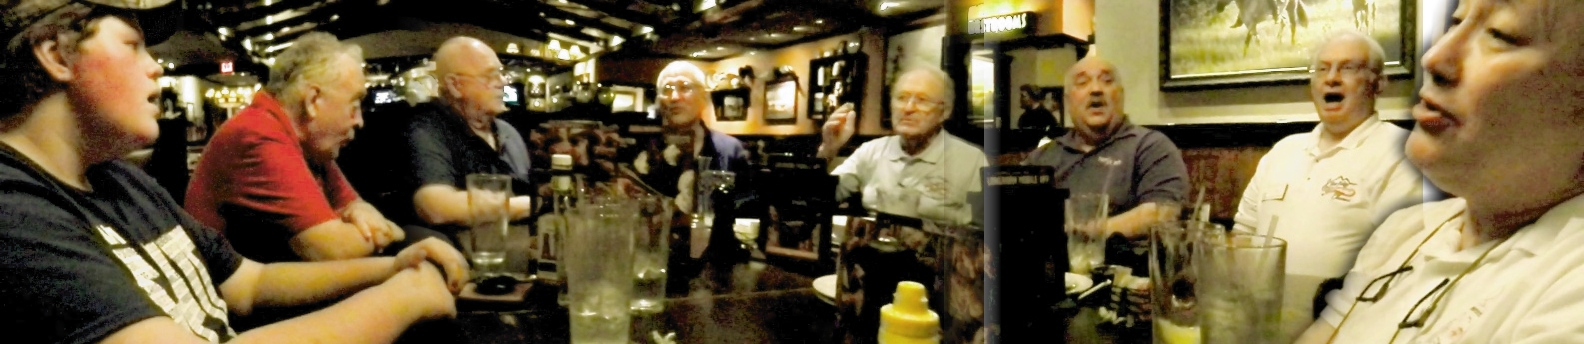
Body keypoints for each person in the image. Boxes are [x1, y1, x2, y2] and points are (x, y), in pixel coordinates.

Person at [0, 2, 468, 342]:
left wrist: (394, 266)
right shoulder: (14, 210)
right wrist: (405, 297)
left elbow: (249, 284)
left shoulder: (118, 178)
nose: (155, 70)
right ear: (57, 56)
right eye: (134, 46)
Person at [1295, 0, 1584, 342]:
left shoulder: (1570, 284)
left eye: (1501, 34)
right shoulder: (1406, 230)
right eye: (1456, 22)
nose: (1434, 58)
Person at [186, 32, 449, 264]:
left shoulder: (310, 144)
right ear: (313, 100)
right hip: (242, 316)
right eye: (354, 103)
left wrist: (358, 211)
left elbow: (357, 207)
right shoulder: (258, 134)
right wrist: (390, 230)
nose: (359, 120)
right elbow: (335, 250)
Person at [1233, 31, 1425, 283]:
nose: (1331, 78)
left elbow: (1400, 260)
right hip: (1260, 308)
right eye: (1322, 69)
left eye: (1348, 68)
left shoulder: (1402, 152)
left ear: (1378, 84)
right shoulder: (1283, 150)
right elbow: (1242, 234)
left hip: (1347, 315)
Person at [1024, 55, 1189, 246]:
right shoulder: (1043, 157)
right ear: (1068, 101)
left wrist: (1083, 233)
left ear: (1120, 95)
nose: (1096, 89)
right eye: (1083, 82)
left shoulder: (1150, 146)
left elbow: (1163, 212)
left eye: (1107, 81)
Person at [397, 36, 534, 236]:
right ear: (455, 85)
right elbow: (436, 206)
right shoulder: (427, 129)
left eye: (502, 74)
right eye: (490, 76)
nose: (503, 82)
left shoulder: (508, 132)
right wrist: (530, 204)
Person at [819, 66, 988, 225]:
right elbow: (820, 197)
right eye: (901, 98)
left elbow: (984, 232)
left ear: (944, 112)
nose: (908, 108)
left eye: (922, 100)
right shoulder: (871, 151)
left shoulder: (972, 160)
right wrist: (828, 149)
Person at [631, 61, 750, 215]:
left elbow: (746, 209)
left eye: (685, 87)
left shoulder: (731, 150)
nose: (674, 97)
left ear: (704, 97)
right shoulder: (644, 149)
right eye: (666, 90)